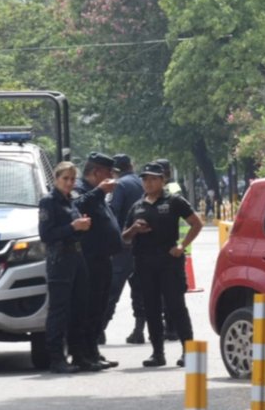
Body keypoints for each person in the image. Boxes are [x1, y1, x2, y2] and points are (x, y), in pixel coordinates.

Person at [122, 162, 203, 367]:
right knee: (151, 308)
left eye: (153, 179)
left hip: (169, 262)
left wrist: (182, 245)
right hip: (144, 263)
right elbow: (124, 237)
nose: (148, 183)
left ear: (162, 180)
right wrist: (134, 229)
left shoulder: (174, 201)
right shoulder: (137, 205)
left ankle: (189, 351)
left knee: (176, 307)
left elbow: (196, 223)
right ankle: (157, 353)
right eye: (145, 179)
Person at [38, 162, 93, 374]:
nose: (69, 183)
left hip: (76, 257)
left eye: (72, 179)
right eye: (65, 179)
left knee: (79, 308)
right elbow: (46, 234)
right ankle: (56, 358)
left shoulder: (71, 200)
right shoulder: (49, 201)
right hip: (59, 259)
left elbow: (74, 229)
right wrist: (72, 226)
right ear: (56, 179)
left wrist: (83, 226)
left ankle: (78, 355)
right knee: (59, 310)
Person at [73, 153, 120, 368]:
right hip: (88, 260)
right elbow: (76, 207)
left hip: (103, 258)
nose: (111, 177)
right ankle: (83, 354)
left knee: (100, 307)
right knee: (88, 307)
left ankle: (93, 351)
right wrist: (99, 190)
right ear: (96, 172)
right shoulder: (80, 189)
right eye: (108, 172)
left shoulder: (98, 195)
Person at [102, 154, 146, 344]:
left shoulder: (120, 185)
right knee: (140, 289)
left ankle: (98, 329)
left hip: (124, 244)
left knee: (112, 290)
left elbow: (113, 212)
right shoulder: (142, 182)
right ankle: (139, 329)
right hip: (143, 245)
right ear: (132, 165)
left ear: (115, 170)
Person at [155, 158, 184, 342]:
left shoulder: (170, 191)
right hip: (177, 245)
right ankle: (171, 326)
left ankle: (172, 327)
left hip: (174, 245)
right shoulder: (176, 187)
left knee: (170, 293)